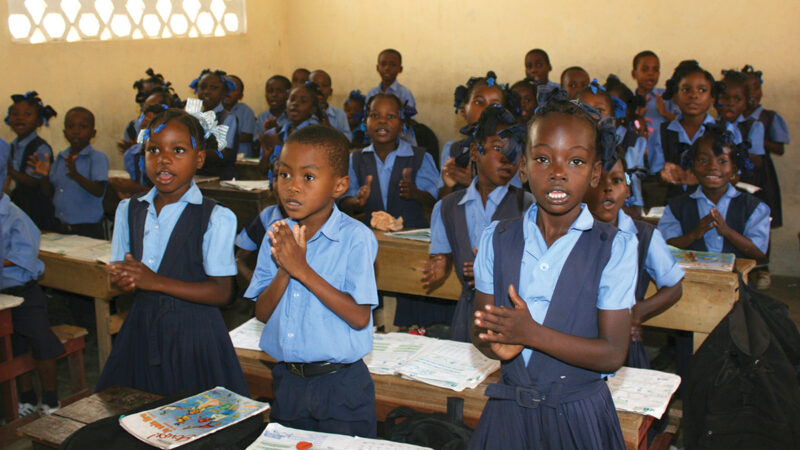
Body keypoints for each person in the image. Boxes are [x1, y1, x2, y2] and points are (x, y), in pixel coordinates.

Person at [468, 87, 636, 449]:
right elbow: (479, 330)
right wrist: (496, 346)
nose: (558, 173)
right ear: (524, 169)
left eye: (575, 162)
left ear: (595, 174)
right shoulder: (497, 238)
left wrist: (530, 334)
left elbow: (613, 352)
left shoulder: (614, 247)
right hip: (508, 417)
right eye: (543, 159)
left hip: (578, 419)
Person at [95, 106, 248, 397]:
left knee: (195, 424)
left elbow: (221, 292)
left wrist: (154, 281)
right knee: (132, 417)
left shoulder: (216, 217)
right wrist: (123, 279)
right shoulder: (129, 209)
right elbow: (123, 271)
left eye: (178, 150)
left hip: (195, 336)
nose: (163, 159)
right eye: (153, 149)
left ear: (199, 159)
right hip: (142, 329)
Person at [245, 125, 378, 437]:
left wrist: (301, 268)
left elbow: (359, 316)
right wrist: (285, 268)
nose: (292, 187)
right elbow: (262, 313)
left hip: (341, 386)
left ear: (339, 185)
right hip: (288, 381)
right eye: (284, 174)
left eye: (307, 177)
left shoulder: (355, 238)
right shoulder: (276, 235)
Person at [423, 105, 533, 342]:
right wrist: (438, 267)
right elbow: (441, 257)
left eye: (514, 151)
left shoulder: (528, 206)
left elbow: (539, 267)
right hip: (467, 316)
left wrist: (492, 271)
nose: (506, 158)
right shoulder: (447, 207)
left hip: (514, 317)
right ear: (474, 151)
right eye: (496, 148)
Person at [340, 93, 441, 328]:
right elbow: (343, 200)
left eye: (391, 116)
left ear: (402, 123)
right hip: (371, 247)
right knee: (374, 300)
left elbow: (435, 198)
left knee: (408, 307)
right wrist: (357, 201)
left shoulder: (419, 157)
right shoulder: (356, 159)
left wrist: (415, 192)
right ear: (365, 122)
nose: (382, 122)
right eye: (375, 116)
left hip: (410, 246)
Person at [585, 147, 684, 368]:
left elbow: (674, 286)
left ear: (627, 190)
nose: (608, 188)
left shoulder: (644, 236)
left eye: (617, 180)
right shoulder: (570, 232)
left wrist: (637, 313)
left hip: (623, 345)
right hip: (577, 338)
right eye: (598, 181)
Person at [0, 159, 65, 416]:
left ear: (6, 182)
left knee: (41, 343)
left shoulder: (15, 216)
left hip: (24, 292)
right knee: (11, 348)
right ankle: (25, 397)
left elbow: (21, 256)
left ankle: (50, 399)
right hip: (3, 297)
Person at [658, 125, 769, 261]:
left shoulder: (754, 207)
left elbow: (759, 253)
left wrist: (727, 232)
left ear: (734, 169)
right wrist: (693, 235)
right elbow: (664, 247)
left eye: (722, 161)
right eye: (703, 160)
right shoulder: (676, 207)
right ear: (692, 167)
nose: (712, 167)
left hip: (735, 279)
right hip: (690, 279)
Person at [647, 60, 720, 204]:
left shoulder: (724, 131)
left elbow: (735, 174)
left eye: (702, 90)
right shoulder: (662, 132)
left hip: (715, 206)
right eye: (686, 90)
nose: (694, 95)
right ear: (675, 96)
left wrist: (701, 176)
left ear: (712, 98)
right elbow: (656, 172)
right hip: (675, 206)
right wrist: (666, 174)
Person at [30, 107, 108, 239]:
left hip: (88, 229)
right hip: (61, 227)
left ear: (93, 133)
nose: (76, 131)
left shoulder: (97, 158)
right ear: (64, 132)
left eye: (83, 127)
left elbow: (99, 190)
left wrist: (76, 175)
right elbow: (48, 192)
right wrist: (44, 176)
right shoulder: (61, 158)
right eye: (70, 126)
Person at [441, 72, 518, 197]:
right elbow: (441, 203)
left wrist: (474, 183)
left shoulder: (511, 152)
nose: (487, 110)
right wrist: (448, 184)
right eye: (479, 102)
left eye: (495, 104)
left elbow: (515, 202)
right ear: (463, 110)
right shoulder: (452, 150)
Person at [5, 91, 57, 231]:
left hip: (37, 208)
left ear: (39, 120)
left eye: (27, 114)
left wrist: (9, 170)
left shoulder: (41, 148)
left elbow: (35, 182)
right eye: (15, 114)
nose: (20, 118)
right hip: (19, 204)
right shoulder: (11, 146)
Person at [258, 83, 323, 181]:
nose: (295, 104)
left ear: (312, 109)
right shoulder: (275, 133)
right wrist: (266, 154)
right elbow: (262, 171)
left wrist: (278, 145)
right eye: (292, 100)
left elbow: (299, 170)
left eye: (303, 101)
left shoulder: (315, 136)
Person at [189, 68, 240, 179]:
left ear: (224, 93)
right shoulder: (194, 118)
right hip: (198, 176)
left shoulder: (228, 118)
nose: (207, 91)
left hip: (221, 177)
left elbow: (224, 153)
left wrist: (192, 151)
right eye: (202, 87)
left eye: (214, 88)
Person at [630, 51, 679, 135]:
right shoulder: (629, 100)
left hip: (664, 146)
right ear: (634, 74)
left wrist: (665, 113)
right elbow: (627, 127)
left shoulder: (666, 97)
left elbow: (685, 122)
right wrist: (638, 116)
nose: (651, 73)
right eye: (645, 69)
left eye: (655, 70)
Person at [309, 70, 353, 140]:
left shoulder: (339, 114)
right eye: (316, 85)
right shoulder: (303, 113)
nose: (319, 89)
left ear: (330, 92)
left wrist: (329, 127)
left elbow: (348, 142)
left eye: (324, 85)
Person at [223, 74, 258, 158]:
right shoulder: (214, 111)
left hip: (241, 157)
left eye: (233, 89)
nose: (229, 92)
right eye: (226, 88)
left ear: (241, 95)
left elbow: (247, 136)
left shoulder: (246, 111)